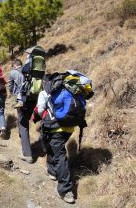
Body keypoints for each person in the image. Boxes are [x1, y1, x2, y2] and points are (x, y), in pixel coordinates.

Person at [35, 73, 89, 204]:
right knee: (55, 149)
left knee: (60, 155)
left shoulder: (45, 93)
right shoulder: (69, 92)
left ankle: (65, 190)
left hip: (55, 127)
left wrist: (45, 118)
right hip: (69, 128)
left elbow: (41, 109)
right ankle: (52, 171)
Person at [8, 58, 35, 163]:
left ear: (14, 65)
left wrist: (12, 92)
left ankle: (27, 154)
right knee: (24, 122)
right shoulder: (29, 71)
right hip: (33, 100)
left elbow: (10, 86)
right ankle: (24, 145)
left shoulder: (13, 72)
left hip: (21, 101)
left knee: (23, 125)